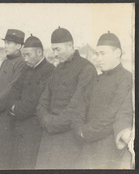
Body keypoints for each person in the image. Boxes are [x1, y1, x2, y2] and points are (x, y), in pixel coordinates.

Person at [36, 27, 97, 169]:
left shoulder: (86, 68)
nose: (55, 54)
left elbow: (77, 107)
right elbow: (42, 101)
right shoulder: (57, 69)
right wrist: (46, 120)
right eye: (53, 50)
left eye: (58, 49)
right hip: (48, 138)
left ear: (70, 45)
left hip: (68, 140)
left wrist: (51, 123)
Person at [76, 32, 134, 169]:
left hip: (108, 147)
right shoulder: (97, 78)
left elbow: (113, 112)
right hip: (87, 143)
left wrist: (86, 131)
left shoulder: (126, 77)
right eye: (96, 54)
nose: (98, 59)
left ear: (117, 53)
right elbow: (81, 105)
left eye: (103, 54)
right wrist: (79, 129)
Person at [8, 35, 54, 169]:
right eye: (24, 55)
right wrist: (15, 107)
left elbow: (35, 100)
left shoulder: (49, 70)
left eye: (28, 55)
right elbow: (13, 91)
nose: (25, 59)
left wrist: (14, 109)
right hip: (19, 126)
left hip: (34, 130)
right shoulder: (25, 69)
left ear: (39, 52)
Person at [0, 29, 26, 169]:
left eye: (9, 43)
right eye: (5, 42)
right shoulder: (6, 61)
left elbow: (11, 90)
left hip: (6, 116)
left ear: (18, 46)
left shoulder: (21, 63)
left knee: (4, 156)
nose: (5, 46)